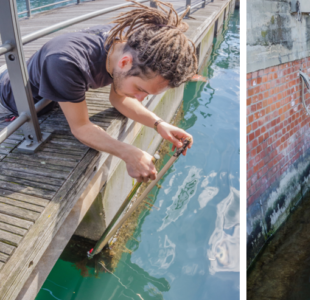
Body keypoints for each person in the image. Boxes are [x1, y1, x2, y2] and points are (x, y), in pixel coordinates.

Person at [0, 0, 198, 183]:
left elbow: (118, 99)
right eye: (140, 89)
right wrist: (130, 154)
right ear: (125, 63)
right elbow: (81, 128)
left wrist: (159, 124)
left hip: (50, 86)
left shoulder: (125, 46)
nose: (140, 98)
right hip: (12, 98)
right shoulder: (66, 62)